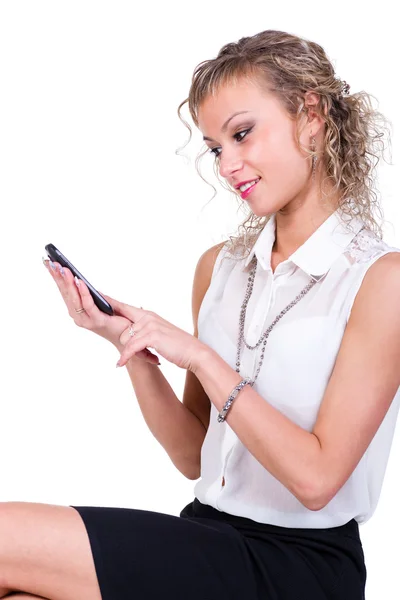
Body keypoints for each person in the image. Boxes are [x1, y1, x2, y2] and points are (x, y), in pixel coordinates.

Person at [1, 28, 399, 600]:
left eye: (242, 134)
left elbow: (316, 482)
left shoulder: (381, 280)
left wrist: (201, 356)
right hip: (207, 534)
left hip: (300, 567)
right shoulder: (221, 267)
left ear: (310, 114)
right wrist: (133, 348)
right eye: (216, 148)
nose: (227, 164)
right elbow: (193, 455)